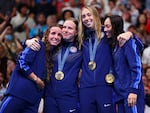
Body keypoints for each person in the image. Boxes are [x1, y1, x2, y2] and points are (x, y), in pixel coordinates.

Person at [0, 25, 62, 113]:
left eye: (59, 35)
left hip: (34, 101)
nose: (56, 37)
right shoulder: (37, 44)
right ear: (47, 35)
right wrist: (36, 79)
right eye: (53, 33)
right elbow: (21, 63)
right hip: (19, 94)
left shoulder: (53, 55)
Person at [26, 17, 82, 113]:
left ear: (76, 32)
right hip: (50, 95)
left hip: (69, 96)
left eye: (70, 28)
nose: (66, 30)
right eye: (64, 27)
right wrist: (27, 41)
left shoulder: (81, 47)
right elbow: (38, 46)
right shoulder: (54, 45)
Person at [103, 15, 145, 113]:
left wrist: (133, 90)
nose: (105, 29)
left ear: (115, 26)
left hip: (131, 94)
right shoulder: (113, 45)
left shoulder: (127, 42)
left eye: (108, 26)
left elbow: (137, 67)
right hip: (120, 95)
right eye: (104, 26)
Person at [78, 6, 115, 113]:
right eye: (83, 16)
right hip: (86, 87)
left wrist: (130, 35)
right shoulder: (81, 38)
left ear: (96, 15)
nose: (86, 18)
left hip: (105, 85)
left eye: (89, 15)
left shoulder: (108, 33)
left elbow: (133, 43)